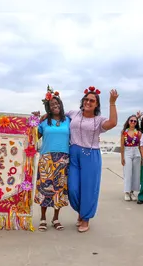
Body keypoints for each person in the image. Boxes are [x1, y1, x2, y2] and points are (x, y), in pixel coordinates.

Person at [67, 86, 118, 233]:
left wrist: (112, 103)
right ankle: (82, 211)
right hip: (74, 153)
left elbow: (113, 123)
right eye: (86, 99)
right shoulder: (73, 114)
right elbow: (56, 116)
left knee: (89, 188)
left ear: (96, 104)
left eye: (92, 100)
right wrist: (44, 116)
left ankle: (85, 218)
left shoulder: (99, 120)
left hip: (91, 155)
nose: (88, 102)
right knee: (73, 188)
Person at [34, 86, 70, 231]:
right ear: (48, 108)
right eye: (52, 105)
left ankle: (55, 218)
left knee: (59, 189)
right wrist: (35, 121)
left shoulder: (68, 120)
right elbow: (34, 136)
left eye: (57, 104)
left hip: (63, 158)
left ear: (61, 105)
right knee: (45, 189)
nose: (55, 106)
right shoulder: (44, 121)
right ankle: (43, 218)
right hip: (46, 158)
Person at [120, 115, 141, 201]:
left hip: (136, 151)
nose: (133, 122)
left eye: (135, 121)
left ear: (136, 123)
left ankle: (132, 192)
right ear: (128, 121)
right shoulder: (124, 132)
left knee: (136, 173)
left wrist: (142, 157)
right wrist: (122, 157)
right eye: (131, 120)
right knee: (127, 172)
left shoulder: (138, 133)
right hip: (127, 152)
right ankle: (127, 192)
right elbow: (122, 145)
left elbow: (140, 145)